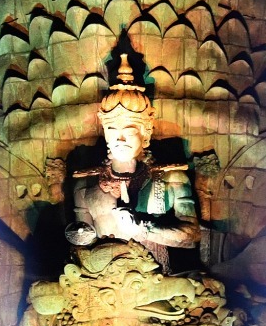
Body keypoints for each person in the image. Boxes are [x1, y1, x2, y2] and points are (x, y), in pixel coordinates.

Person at [65, 53, 198, 268]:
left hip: (153, 272)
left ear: (145, 134)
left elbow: (191, 236)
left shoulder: (171, 178)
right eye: (112, 130)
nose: (120, 139)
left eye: (129, 132)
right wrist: (79, 239)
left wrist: (143, 228)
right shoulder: (85, 184)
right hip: (103, 273)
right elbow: (82, 241)